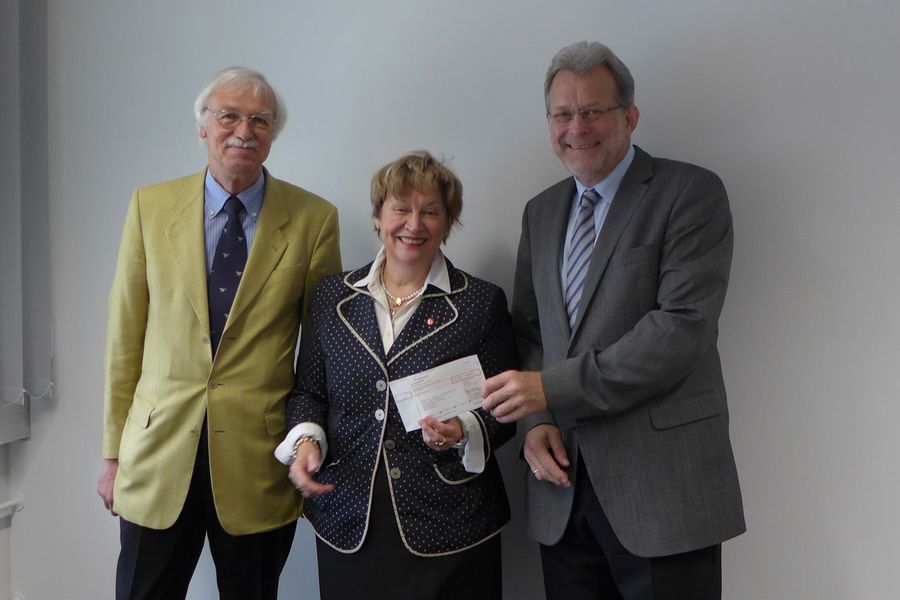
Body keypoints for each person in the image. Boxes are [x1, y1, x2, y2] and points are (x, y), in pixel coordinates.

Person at [482, 41, 746, 599]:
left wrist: (546, 389)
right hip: (562, 491)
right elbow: (529, 332)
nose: (576, 127)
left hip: (663, 492)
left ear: (629, 117)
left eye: (593, 111)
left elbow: (679, 331)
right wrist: (535, 422)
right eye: (562, 114)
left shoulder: (690, 193)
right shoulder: (542, 210)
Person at [96, 66, 342, 599]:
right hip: (157, 456)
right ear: (202, 126)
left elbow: (320, 353)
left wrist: (309, 437)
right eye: (228, 115)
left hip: (257, 462)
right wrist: (113, 454)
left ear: (272, 135)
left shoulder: (313, 220)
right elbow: (125, 338)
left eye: (260, 120)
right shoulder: (149, 207)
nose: (243, 130)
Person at [275, 151, 517, 600]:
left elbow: (504, 410)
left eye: (431, 212)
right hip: (348, 513)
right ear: (378, 216)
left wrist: (461, 430)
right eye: (401, 209)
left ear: (448, 222)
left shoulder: (481, 304)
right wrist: (306, 442)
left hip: (451, 521)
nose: (414, 224)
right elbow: (308, 392)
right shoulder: (331, 297)